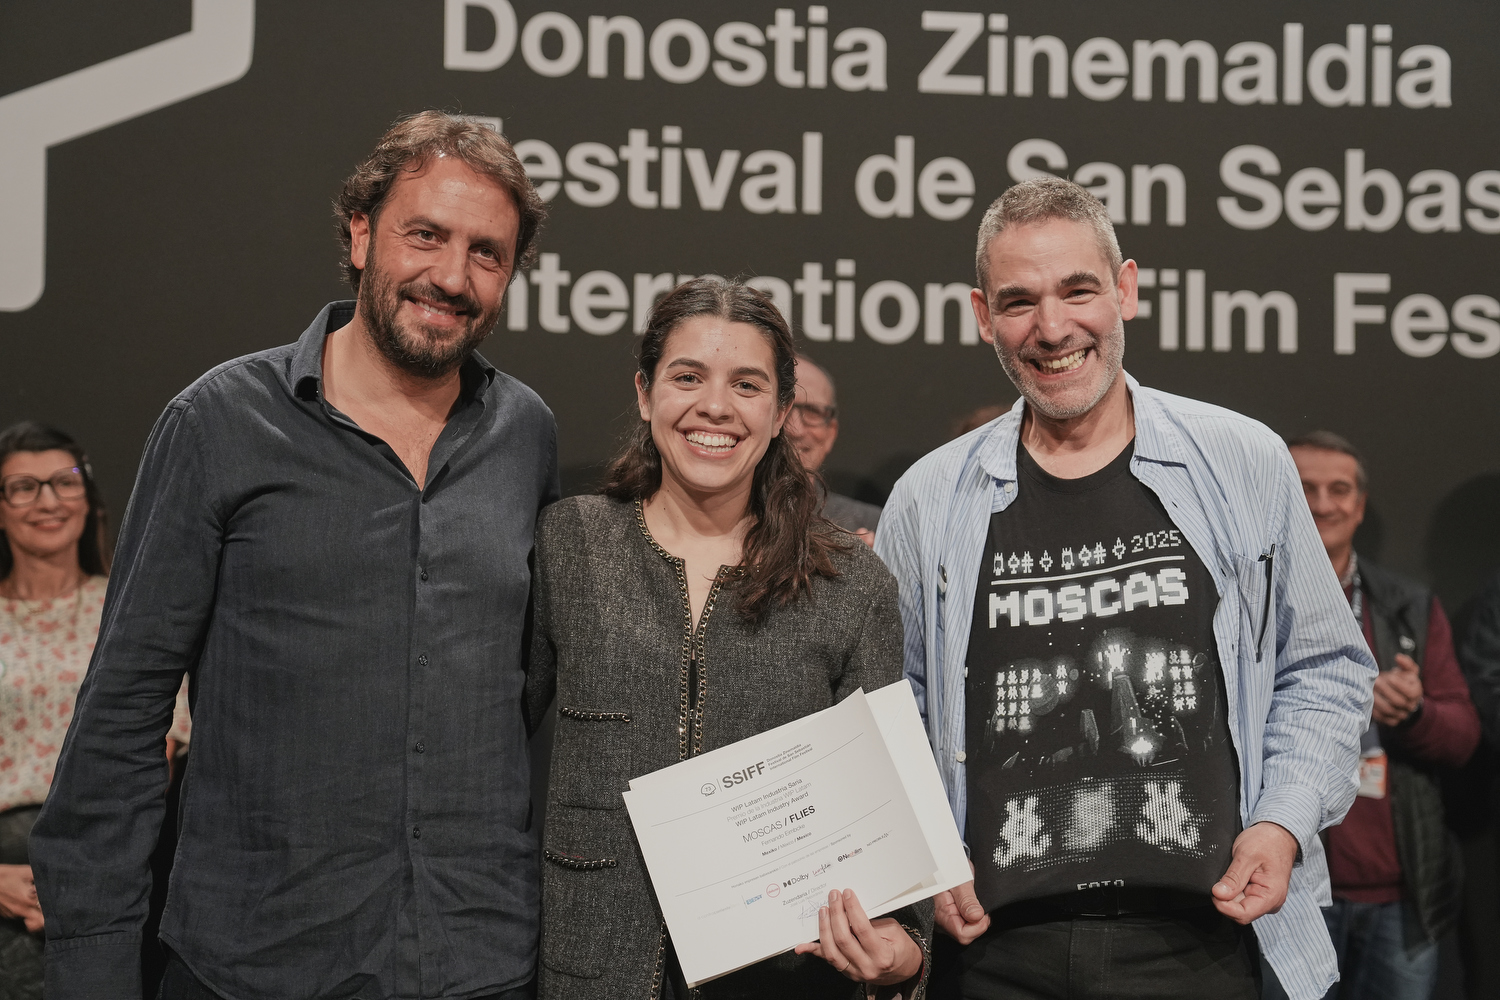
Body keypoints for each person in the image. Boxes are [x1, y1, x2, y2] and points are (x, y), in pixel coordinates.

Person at [30, 111, 557, 1000]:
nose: (451, 276)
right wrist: (93, 967)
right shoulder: (219, 422)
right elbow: (122, 715)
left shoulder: (526, 434)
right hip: (256, 964)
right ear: (360, 234)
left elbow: (527, 693)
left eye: (486, 253)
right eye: (425, 235)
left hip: (479, 963)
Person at [875, 178, 1376, 1000]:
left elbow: (1324, 668)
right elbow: (896, 707)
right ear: (982, 316)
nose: (1052, 328)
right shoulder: (929, 498)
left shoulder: (1241, 459)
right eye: (1019, 301)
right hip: (996, 952)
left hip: (1209, 940)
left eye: (1078, 291)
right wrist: (923, 857)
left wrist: (1282, 822)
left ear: (1127, 290)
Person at [527, 277, 930, 999]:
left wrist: (905, 949)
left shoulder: (851, 583)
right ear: (645, 392)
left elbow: (890, 819)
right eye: (688, 377)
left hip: (781, 981)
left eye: (747, 385)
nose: (715, 406)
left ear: (780, 413)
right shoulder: (570, 543)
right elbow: (496, 754)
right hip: (590, 974)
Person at [0, 422, 190, 998]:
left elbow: (153, 749)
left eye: (65, 481)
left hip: (113, 865)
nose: (48, 501)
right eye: (24, 487)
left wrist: (84, 870)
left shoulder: (134, 609)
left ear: (88, 497)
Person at [784, 354, 881, 544]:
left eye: (813, 412)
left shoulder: (873, 525)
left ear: (831, 433)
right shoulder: (721, 522)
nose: (795, 429)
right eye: (783, 408)